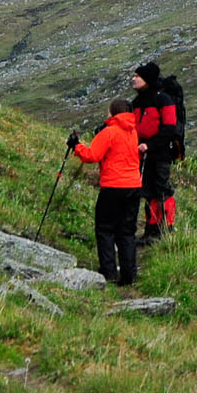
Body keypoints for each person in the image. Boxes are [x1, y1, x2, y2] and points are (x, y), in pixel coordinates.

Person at [69, 96, 144, 286]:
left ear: (113, 112)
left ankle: (108, 272)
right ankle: (129, 275)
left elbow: (92, 155)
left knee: (105, 229)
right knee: (126, 232)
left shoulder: (110, 132)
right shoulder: (133, 132)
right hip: (133, 186)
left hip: (113, 187)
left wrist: (76, 146)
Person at [131, 60, 185, 243]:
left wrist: (150, 145)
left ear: (146, 78)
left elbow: (169, 128)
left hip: (160, 153)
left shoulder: (163, 99)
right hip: (144, 153)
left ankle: (165, 231)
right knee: (148, 192)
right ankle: (151, 231)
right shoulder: (138, 101)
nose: (133, 79)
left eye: (137, 76)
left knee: (162, 190)